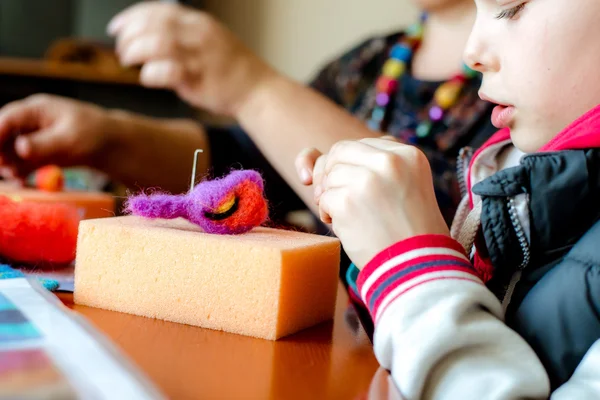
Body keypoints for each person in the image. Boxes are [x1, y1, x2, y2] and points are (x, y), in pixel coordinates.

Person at [296, 0, 600, 397]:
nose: (471, 52)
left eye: (510, 7)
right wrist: (378, 245)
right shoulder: (519, 178)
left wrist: (412, 266)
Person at [0, 0, 494, 227]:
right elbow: (249, 163)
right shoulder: (368, 64)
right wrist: (102, 136)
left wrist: (252, 87)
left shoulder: (522, 81)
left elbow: (461, 219)